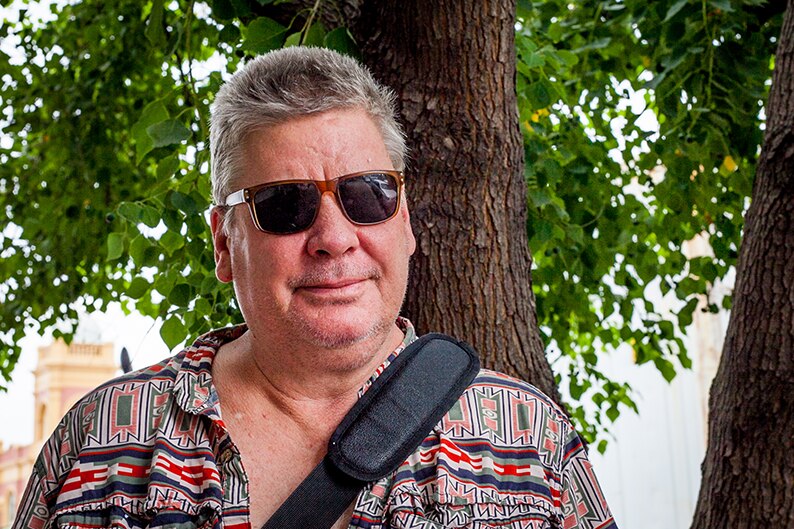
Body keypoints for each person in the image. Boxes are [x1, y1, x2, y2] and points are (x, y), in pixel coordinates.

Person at [13, 47, 617, 529]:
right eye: (285, 204)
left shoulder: (530, 445)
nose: (334, 236)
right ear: (225, 243)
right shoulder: (103, 449)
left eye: (368, 194)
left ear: (405, 221)